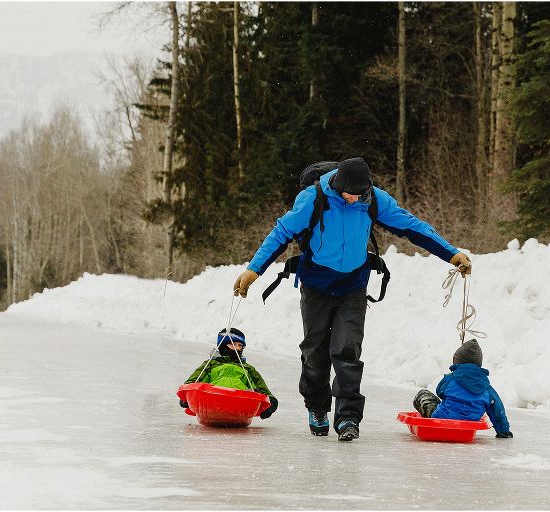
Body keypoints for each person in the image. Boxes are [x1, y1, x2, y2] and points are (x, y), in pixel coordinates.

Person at [233, 157, 471, 442]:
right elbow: (281, 233)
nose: (354, 199)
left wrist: (452, 254)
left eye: (360, 194)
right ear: (337, 184)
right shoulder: (314, 198)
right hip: (316, 285)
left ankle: (347, 417)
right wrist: (253, 270)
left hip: (353, 285)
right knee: (315, 352)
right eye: (350, 194)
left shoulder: (373, 200)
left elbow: (412, 227)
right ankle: (317, 407)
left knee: (347, 351)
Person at [413, 339, 513, 438]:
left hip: (442, 420)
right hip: (470, 423)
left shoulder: (450, 379)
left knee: (423, 394)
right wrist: (503, 431)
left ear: (458, 361)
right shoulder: (487, 389)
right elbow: (498, 411)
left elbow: (439, 392)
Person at [180, 327, 278, 420]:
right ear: (223, 346)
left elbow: (262, 388)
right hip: (212, 401)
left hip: (239, 405)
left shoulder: (247, 368)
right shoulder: (210, 364)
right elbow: (193, 381)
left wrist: (271, 403)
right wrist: (186, 396)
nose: (237, 349)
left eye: (240, 346)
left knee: (253, 390)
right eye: (233, 344)